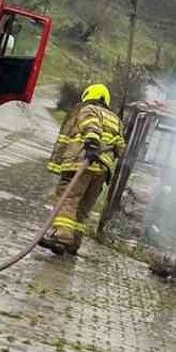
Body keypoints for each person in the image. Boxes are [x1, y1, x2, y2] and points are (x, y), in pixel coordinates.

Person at [39, 83, 125, 255]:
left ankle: (62, 236)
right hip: (101, 170)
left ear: (88, 95)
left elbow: (91, 126)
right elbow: (121, 146)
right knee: (84, 207)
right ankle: (74, 243)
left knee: (68, 198)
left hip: (81, 162)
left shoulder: (89, 109)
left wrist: (92, 144)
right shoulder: (116, 119)